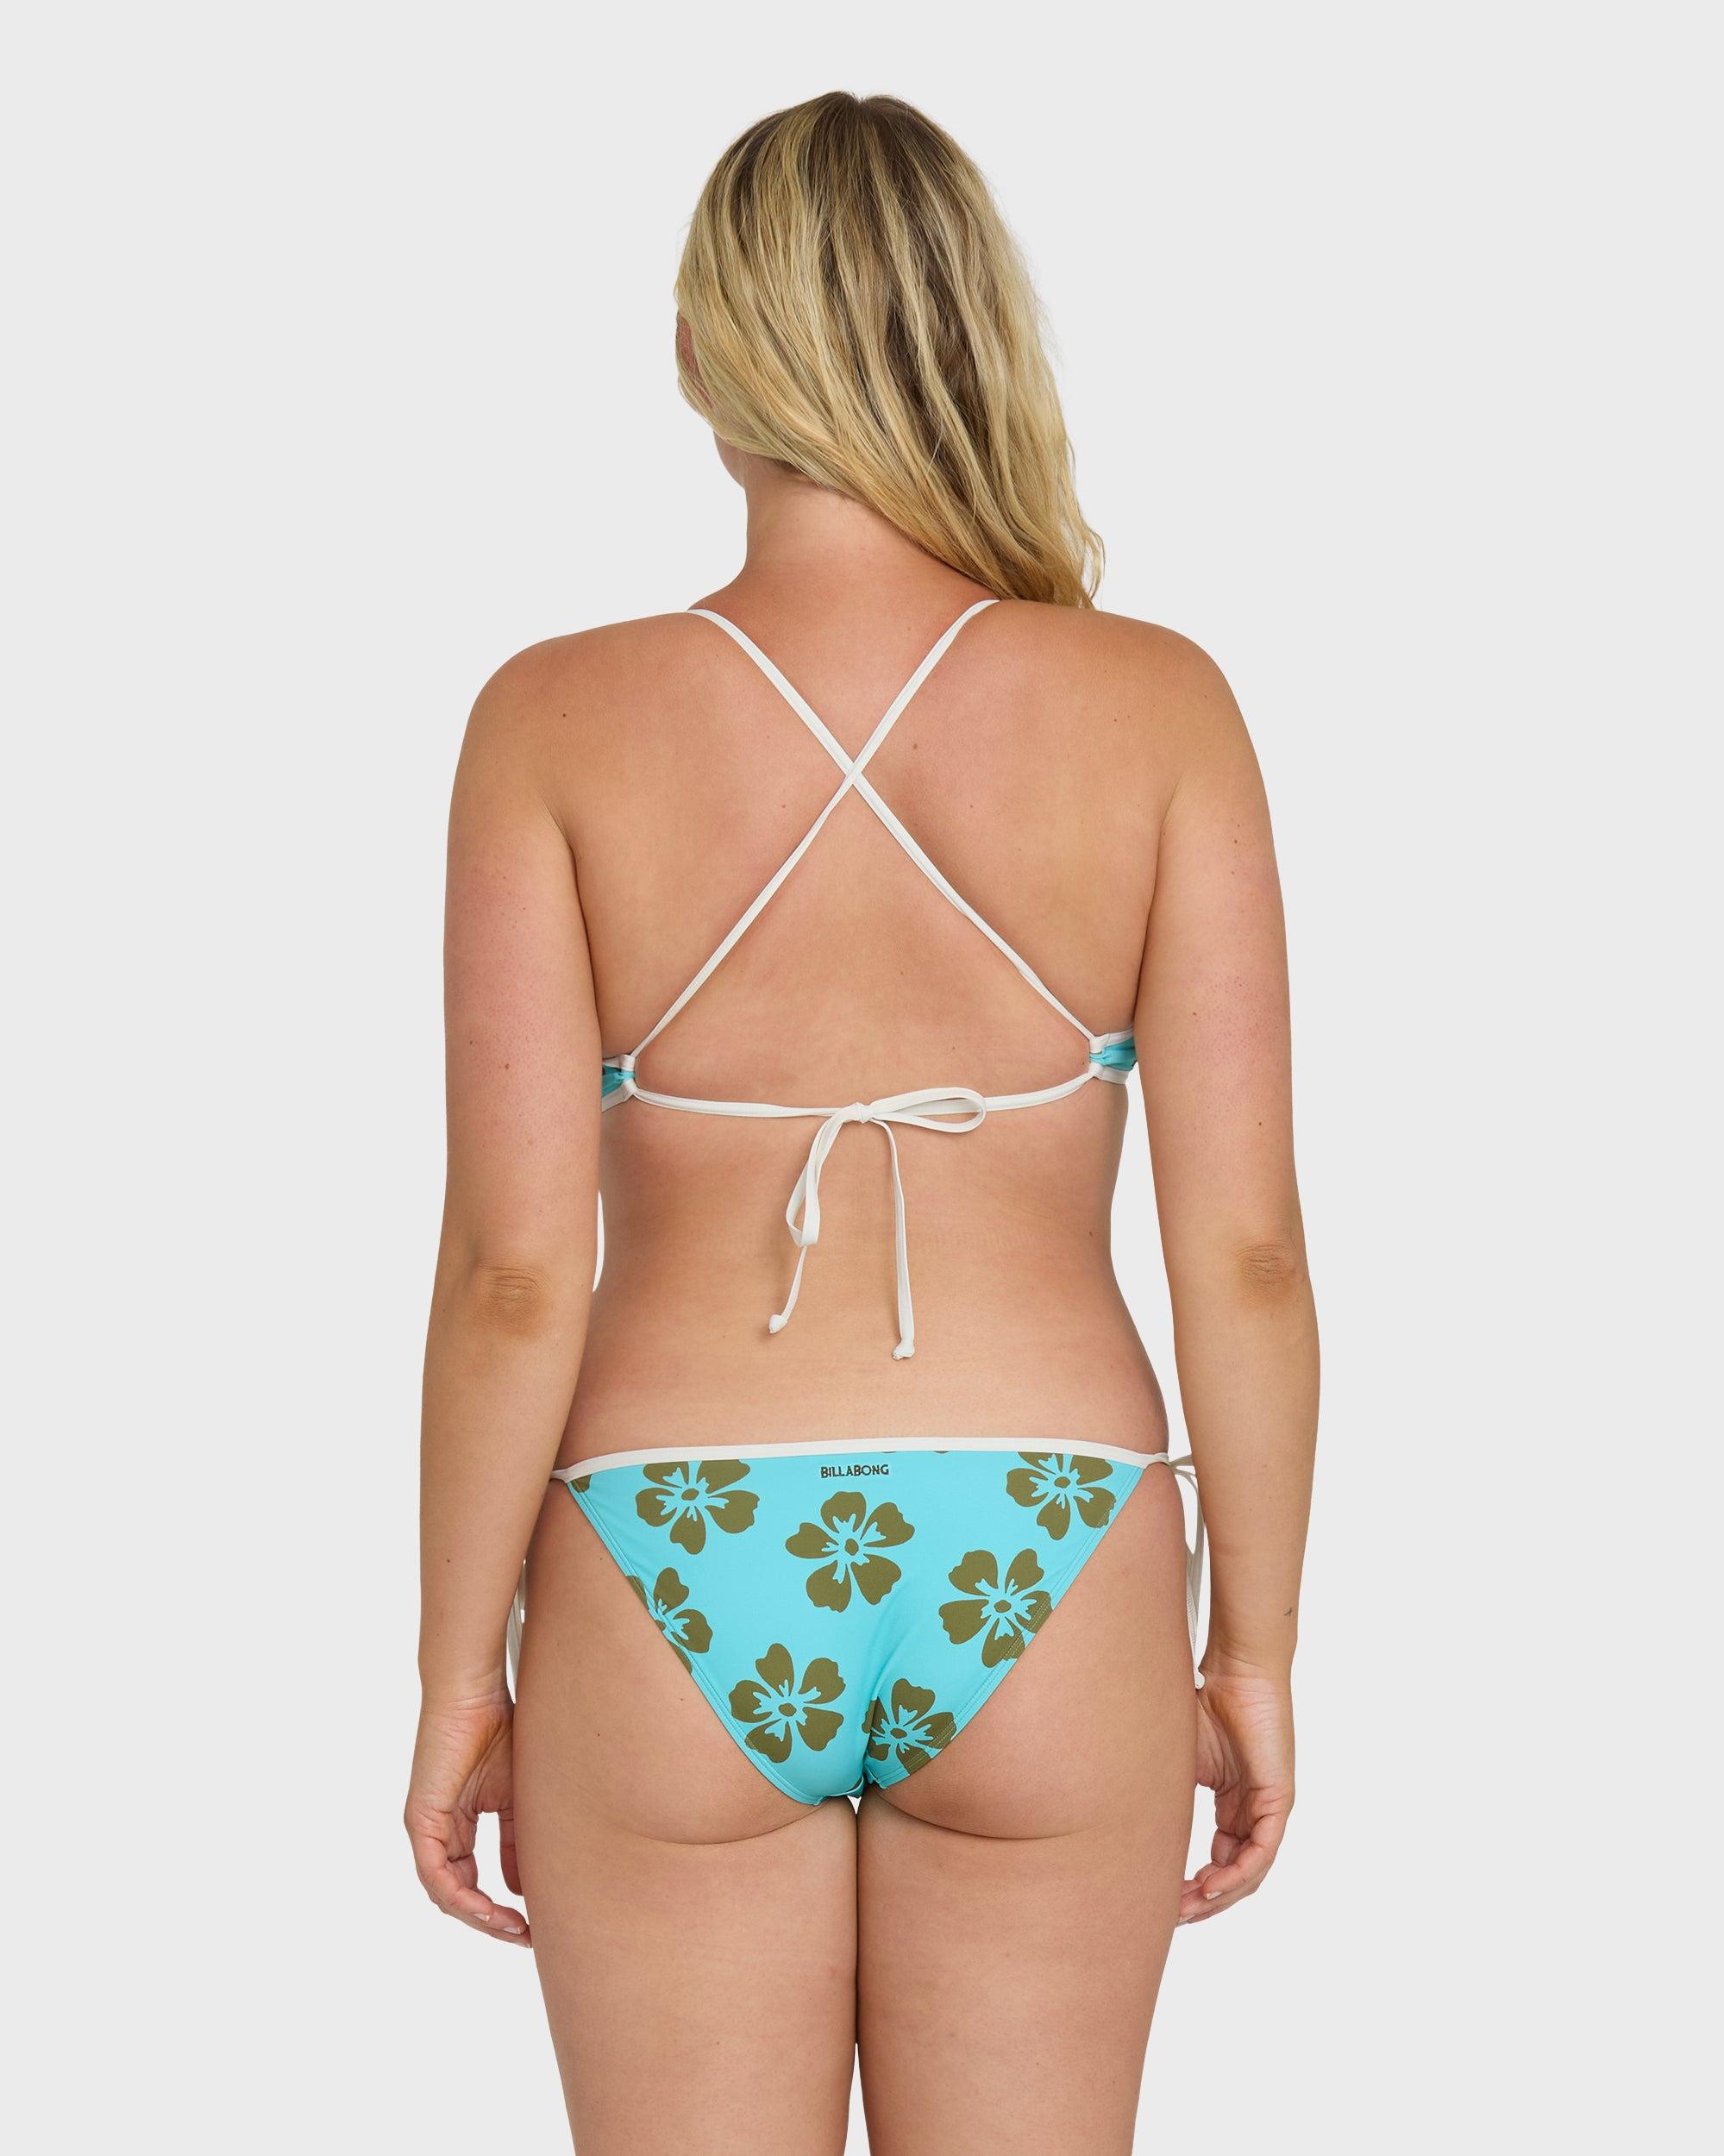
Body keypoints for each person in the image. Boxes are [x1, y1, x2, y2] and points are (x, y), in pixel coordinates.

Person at [406, 90, 1318, 2155]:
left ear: (702, 351)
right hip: (1053, 1533)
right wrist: (1251, 1648)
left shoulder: (552, 718)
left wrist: (462, 1675)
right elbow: (1245, 1252)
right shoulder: (1159, 706)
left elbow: (514, 1268)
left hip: (665, 1544)